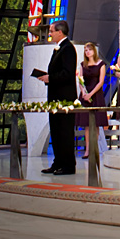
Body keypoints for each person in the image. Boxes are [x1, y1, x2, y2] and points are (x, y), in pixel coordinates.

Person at [39, 20, 77, 175]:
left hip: (64, 99)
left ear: (60, 32)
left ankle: (68, 165)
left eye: (51, 31)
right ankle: (58, 162)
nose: (49, 34)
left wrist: (50, 78)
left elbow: (67, 74)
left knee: (65, 132)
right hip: (55, 97)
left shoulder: (68, 49)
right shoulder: (58, 48)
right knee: (56, 131)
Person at [77, 42, 108, 158]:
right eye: (85, 50)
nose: (87, 52)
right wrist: (84, 92)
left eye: (89, 50)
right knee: (86, 125)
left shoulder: (101, 64)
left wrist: (91, 94)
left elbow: (101, 82)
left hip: (96, 94)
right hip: (85, 94)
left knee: (96, 124)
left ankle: (94, 149)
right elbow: (80, 80)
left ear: (94, 51)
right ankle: (87, 150)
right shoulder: (82, 64)